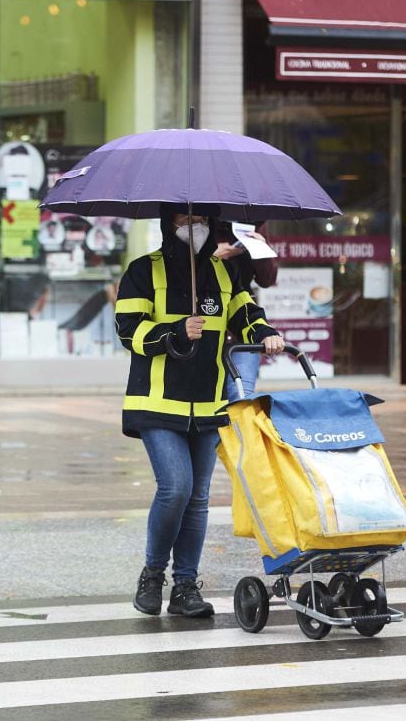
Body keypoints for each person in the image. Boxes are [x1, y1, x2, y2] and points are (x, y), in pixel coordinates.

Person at [115, 209, 284, 617]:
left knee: (199, 497)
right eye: (185, 220)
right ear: (167, 225)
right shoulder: (143, 271)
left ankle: (186, 586)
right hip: (156, 401)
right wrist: (174, 331)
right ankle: (153, 574)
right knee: (176, 487)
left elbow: (246, 314)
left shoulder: (224, 273)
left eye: (202, 219)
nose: (196, 227)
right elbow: (127, 329)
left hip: (208, 402)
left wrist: (265, 335)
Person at [214, 222, 278, 401]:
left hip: (243, 322)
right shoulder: (198, 217)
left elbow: (267, 279)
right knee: (207, 400)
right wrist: (211, 257)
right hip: (205, 322)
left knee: (240, 396)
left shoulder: (254, 219)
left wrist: (261, 248)